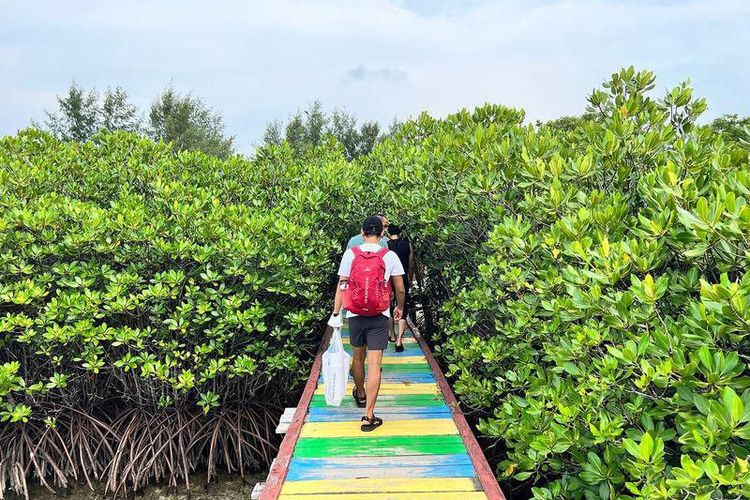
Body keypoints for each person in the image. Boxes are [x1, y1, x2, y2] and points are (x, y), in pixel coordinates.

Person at [329, 216, 405, 432]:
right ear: (382, 234)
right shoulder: (389, 255)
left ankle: (360, 393)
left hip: (355, 315)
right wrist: (399, 308)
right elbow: (399, 288)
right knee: (374, 364)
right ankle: (369, 415)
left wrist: (337, 312)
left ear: (362, 233)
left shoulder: (350, 254)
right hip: (380, 315)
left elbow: (342, 284)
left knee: (358, 357)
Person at [386, 224, 415, 352]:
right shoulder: (407, 244)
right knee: (402, 307)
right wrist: (410, 277)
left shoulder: (386, 245)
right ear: (400, 233)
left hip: (389, 279)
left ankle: (392, 335)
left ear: (388, 233)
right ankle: (399, 340)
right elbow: (411, 263)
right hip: (402, 278)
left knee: (389, 307)